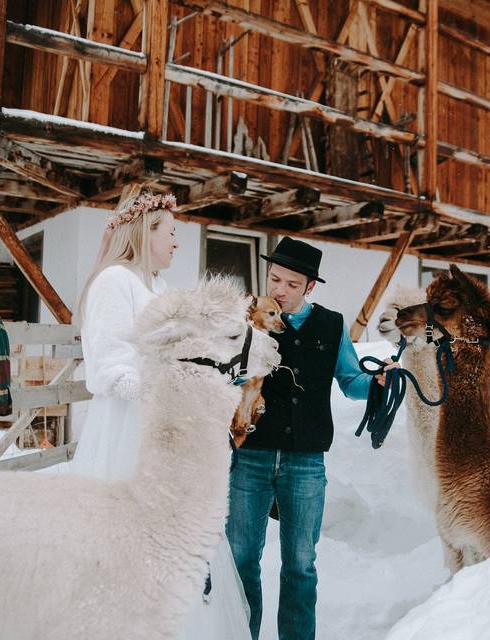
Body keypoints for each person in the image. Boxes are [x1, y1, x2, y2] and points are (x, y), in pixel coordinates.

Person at [73, 185, 251, 639]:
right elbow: (110, 368)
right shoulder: (115, 281)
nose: (176, 242)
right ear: (145, 231)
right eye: (170, 232)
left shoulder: (161, 287)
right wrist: (171, 390)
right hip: (128, 432)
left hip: (165, 430)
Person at [226, 236, 386, 640]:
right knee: (241, 559)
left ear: (309, 287)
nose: (279, 290)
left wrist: (379, 382)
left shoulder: (331, 326)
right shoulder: (247, 320)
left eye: (291, 284)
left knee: (300, 563)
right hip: (251, 457)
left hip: (306, 462)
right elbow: (227, 374)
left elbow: (350, 381)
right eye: (275, 278)